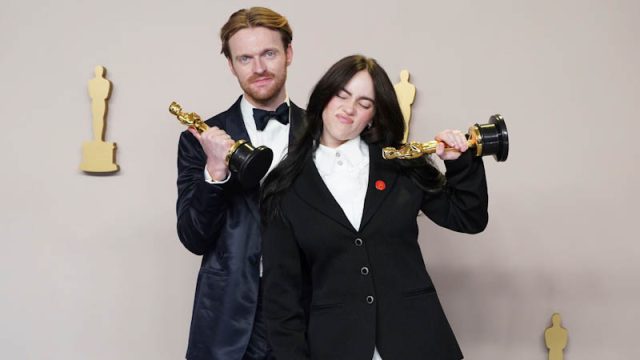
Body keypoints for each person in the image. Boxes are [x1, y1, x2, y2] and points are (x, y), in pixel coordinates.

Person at [260, 55, 489, 360]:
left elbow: (468, 217)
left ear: (374, 114)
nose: (349, 109)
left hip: (419, 341)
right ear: (323, 97)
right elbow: (281, 300)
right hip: (335, 346)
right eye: (341, 95)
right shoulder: (284, 186)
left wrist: (461, 162)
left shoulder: (401, 164)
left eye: (364, 102)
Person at [175, 7, 305, 360]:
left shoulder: (324, 134)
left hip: (308, 312)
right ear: (231, 65)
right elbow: (193, 237)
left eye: (269, 53)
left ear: (288, 54)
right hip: (228, 318)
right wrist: (215, 171)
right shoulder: (200, 139)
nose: (259, 68)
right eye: (245, 58)